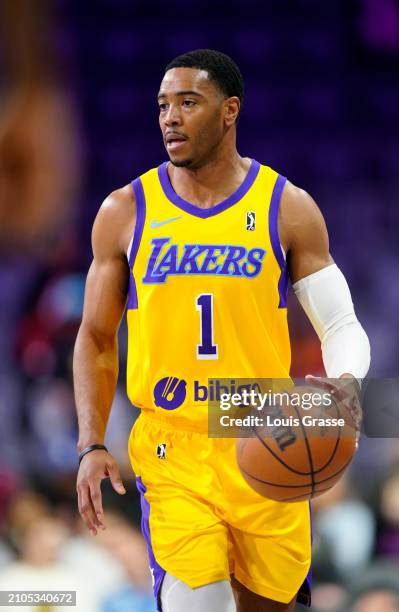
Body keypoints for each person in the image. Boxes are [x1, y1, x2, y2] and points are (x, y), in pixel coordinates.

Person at [74, 49, 370, 612]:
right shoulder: (125, 210)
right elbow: (94, 337)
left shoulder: (288, 207)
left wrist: (348, 383)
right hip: (173, 442)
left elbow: (340, 323)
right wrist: (91, 440)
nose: (170, 118)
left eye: (188, 102)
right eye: (163, 105)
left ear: (229, 111)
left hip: (264, 429)